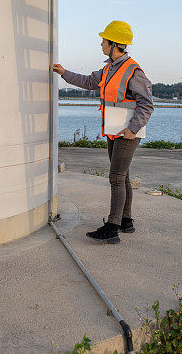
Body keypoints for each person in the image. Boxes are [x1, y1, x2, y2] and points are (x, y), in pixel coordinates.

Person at [52, 20, 154, 244]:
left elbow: (147, 104)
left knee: (116, 177)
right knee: (123, 176)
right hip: (113, 130)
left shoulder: (134, 71)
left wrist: (132, 129)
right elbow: (88, 81)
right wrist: (64, 73)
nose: (101, 44)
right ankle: (126, 220)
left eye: (104, 40)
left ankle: (112, 228)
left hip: (126, 133)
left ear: (114, 44)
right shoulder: (109, 68)